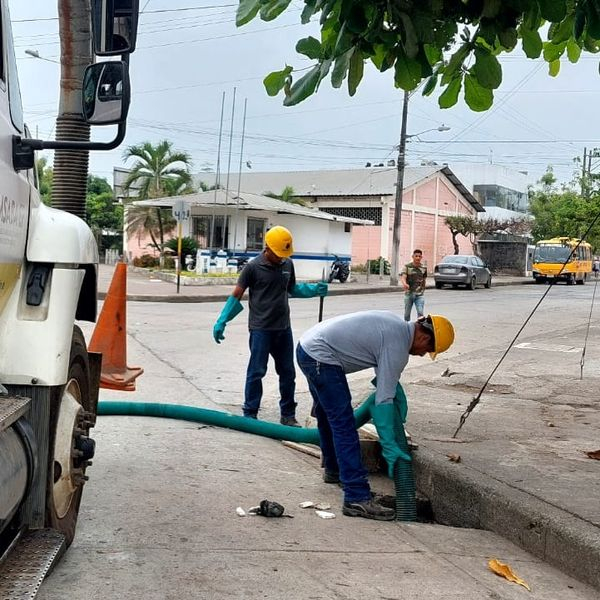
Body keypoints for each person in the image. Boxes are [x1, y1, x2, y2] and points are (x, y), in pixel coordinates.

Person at [296, 311, 455, 520]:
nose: (423, 354)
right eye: (428, 349)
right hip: (321, 356)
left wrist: (392, 391)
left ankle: (334, 469)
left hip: (306, 347)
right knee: (344, 425)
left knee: (328, 416)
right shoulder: (398, 346)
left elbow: (384, 379)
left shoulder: (395, 325)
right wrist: (389, 445)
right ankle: (356, 497)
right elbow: (382, 402)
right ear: (424, 337)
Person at [213, 225, 328, 426]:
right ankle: (250, 413)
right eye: (278, 254)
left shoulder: (287, 264)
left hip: (283, 328)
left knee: (288, 372)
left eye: (284, 254)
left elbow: (291, 289)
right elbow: (237, 295)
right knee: (256, 371)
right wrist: (222, 321)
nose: (281, 258)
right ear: (267, 248)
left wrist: (313, 289)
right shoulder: (252, 268)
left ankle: (288, 415)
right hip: (260, 329)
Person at [400, 249, 427, 322]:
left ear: (421, 257)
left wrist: (423, 289)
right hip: (409, 294)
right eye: (416, 256)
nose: (418, 258)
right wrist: (405, 284)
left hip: (419, 295)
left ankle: (420, 329)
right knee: (407, 315)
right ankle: (407, 328)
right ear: (413, 256)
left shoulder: (424, 268)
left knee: (420, 313)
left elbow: (424, 279)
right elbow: (403, 276)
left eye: (419, 256)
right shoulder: (407, 267)